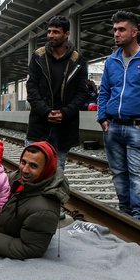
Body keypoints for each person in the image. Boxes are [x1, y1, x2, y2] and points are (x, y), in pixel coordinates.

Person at [97, 11, 140, 223]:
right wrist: (102, 118)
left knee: (137, 173)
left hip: (137, 126)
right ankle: (125, 213)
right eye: (115, 29)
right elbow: (104, 91)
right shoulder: (111, 60)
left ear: (134, 32)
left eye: (121, 29)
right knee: (118, 173)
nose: (116, 33)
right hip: (112, 126)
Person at [26, 15, 89, 169]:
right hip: (39, 124)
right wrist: (46, 111)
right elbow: (31, 88)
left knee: (57, 169)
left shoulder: (78, 60)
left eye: (56, 32)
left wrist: (64, 113)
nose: (50, 35)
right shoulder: (38, 56)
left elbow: (82, 93)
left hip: (64, 127)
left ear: (66, 34)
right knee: (32, 168)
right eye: (49, 32)